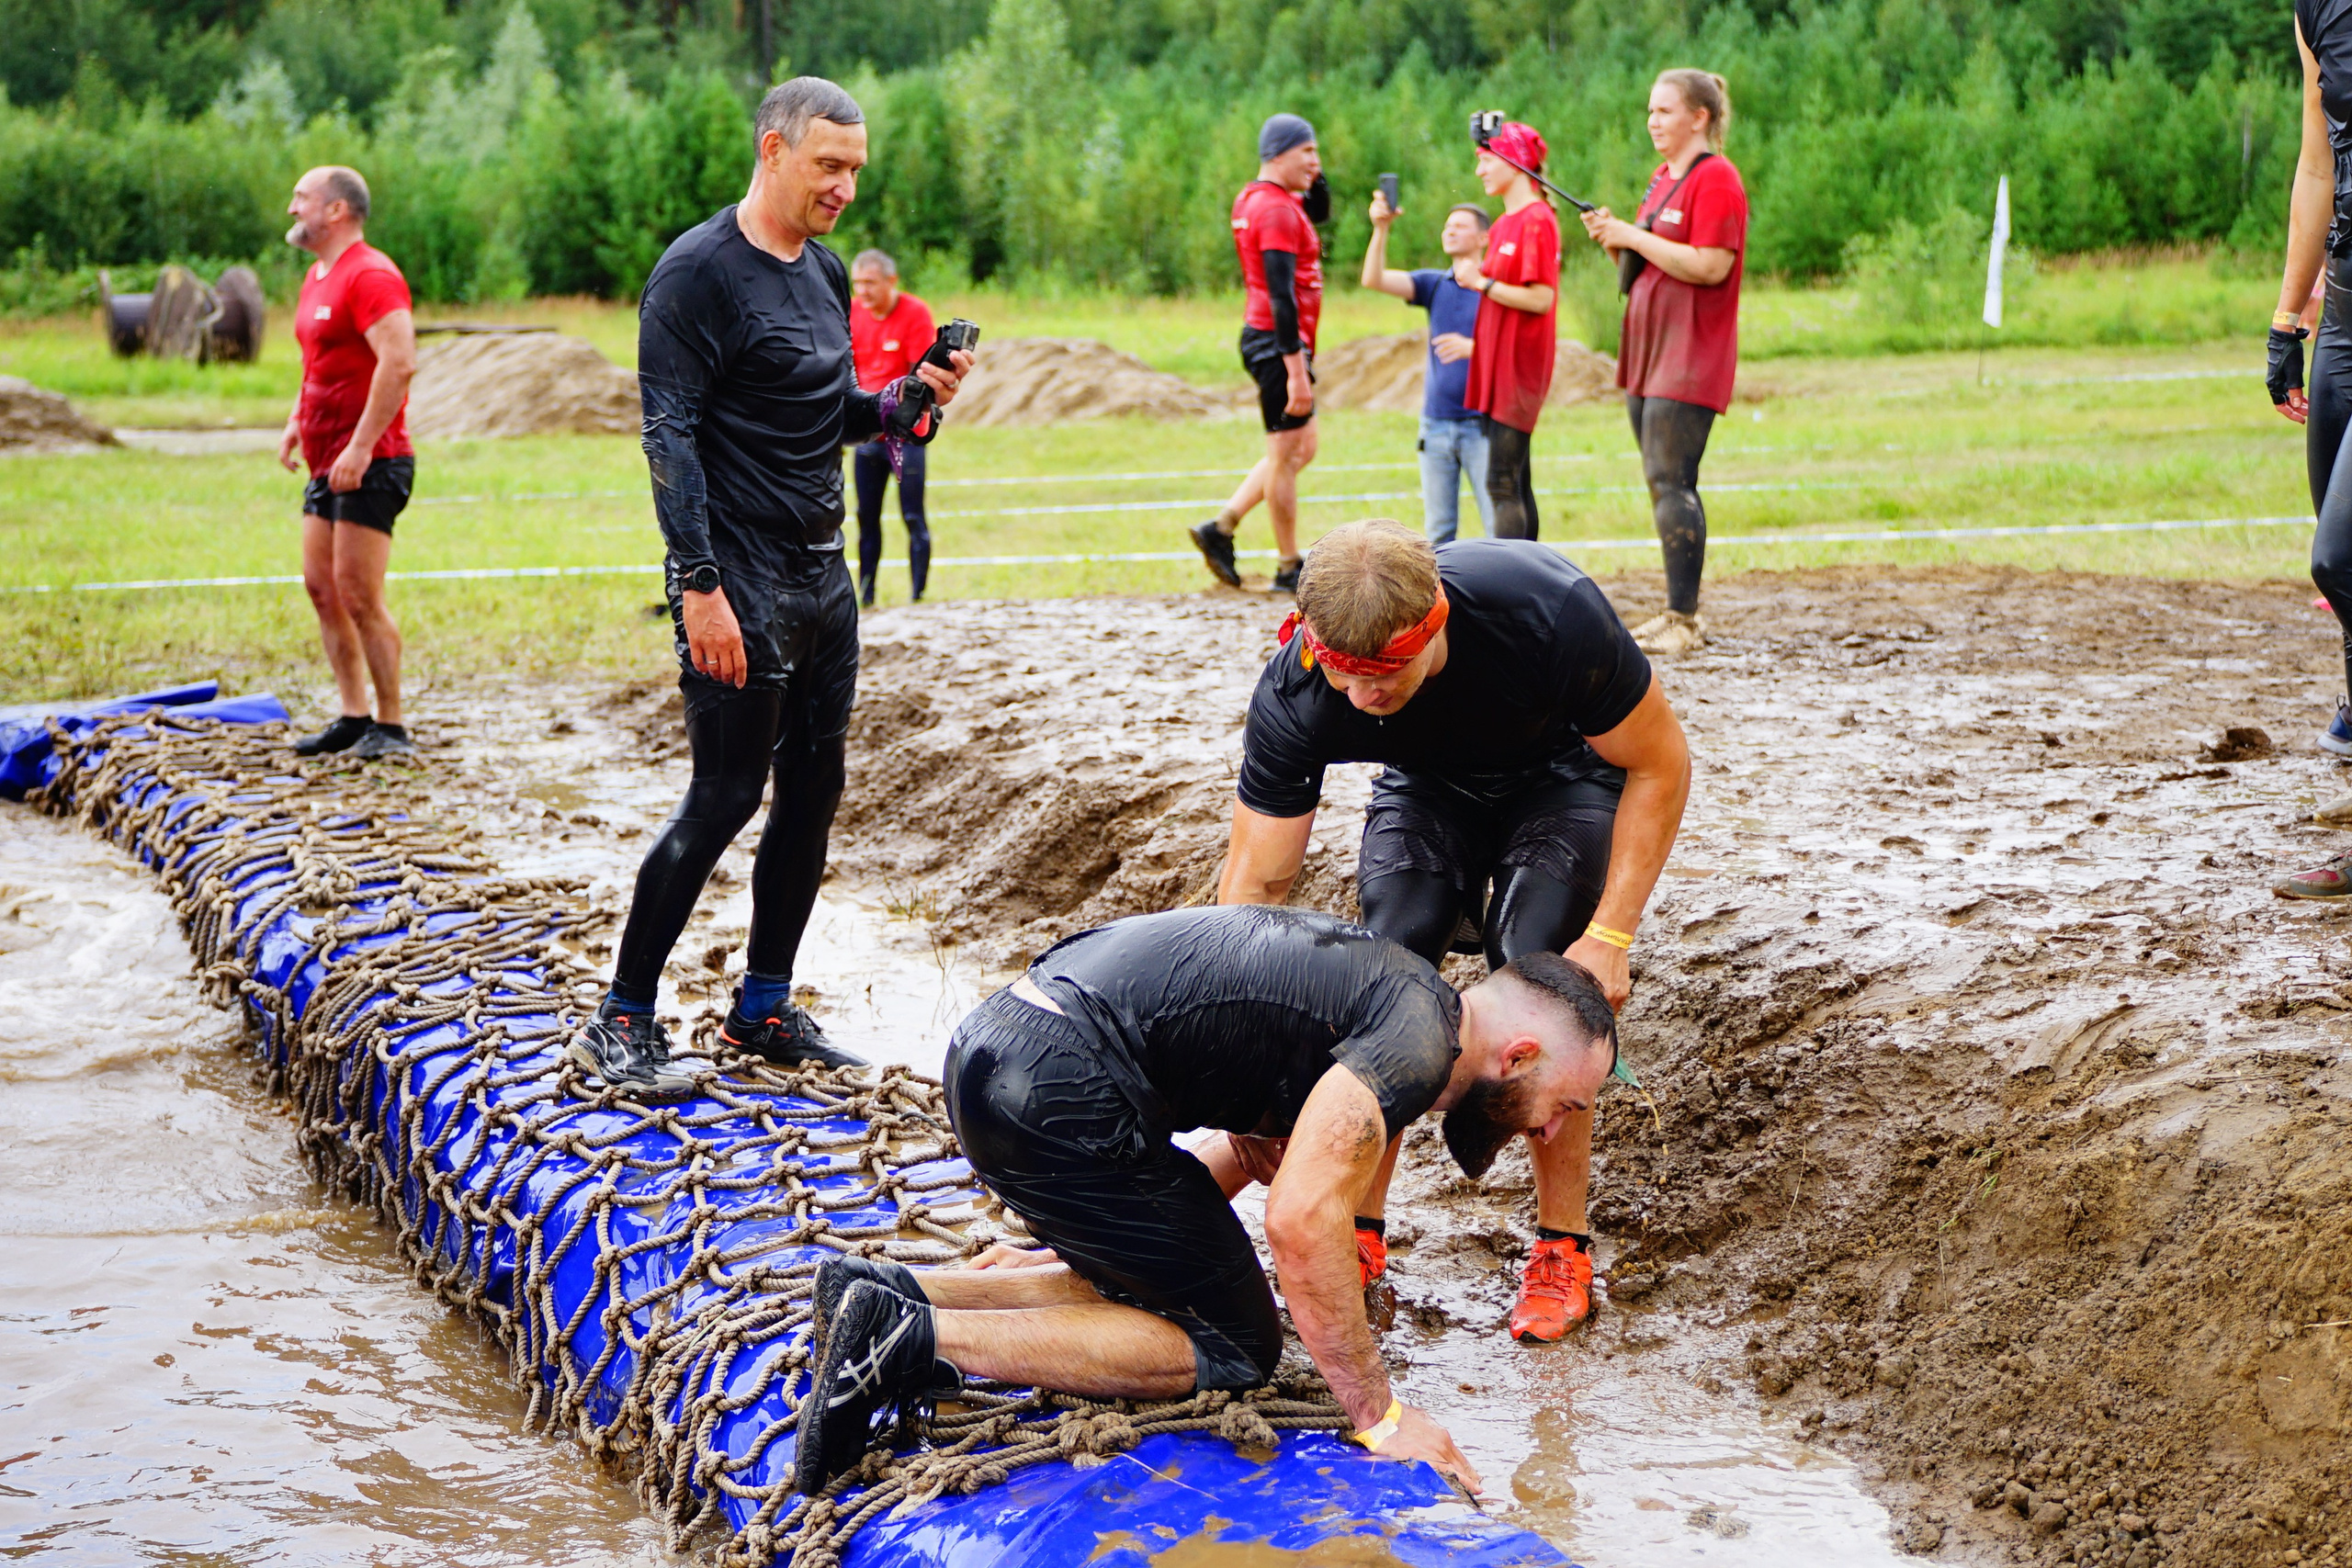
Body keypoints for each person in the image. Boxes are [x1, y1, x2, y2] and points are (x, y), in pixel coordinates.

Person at [793, 903, 1629, 1499]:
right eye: (1565, 1103)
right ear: (1518, 1056)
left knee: (1180, 1284)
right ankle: (907, 1339)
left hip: (1002, 1050)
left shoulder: (1400, 996)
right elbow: (1299, 1220)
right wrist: (1380, 1415)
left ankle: (892, 1290)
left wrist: (1108, 1244)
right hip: (1054, 1086)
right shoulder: (1416, 1046)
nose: (1554, 1131)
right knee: (1235, 1342)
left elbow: (1237, 1160)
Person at [567, 77, 973, 1096]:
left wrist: (903, 401)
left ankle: (763, 1008)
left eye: (855, 170)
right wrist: (698, 588)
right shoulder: (695, 275)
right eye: (828, 166)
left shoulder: (824, 271)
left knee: (813, 791)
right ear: (773, 149)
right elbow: (668, 438)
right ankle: (620, 1020)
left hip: (822, 577)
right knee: (724, 795)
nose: (844, 188)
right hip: (736, 578)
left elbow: (824, 410)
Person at [1214, 520, 1690, 1343]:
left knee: (1538, 965)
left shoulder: (1546, 611)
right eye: (1344, 678)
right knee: (1391, 959)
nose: (1361, 699)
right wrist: (1237, 1068)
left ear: (1434, 621)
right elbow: (1253, 891)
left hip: (1563, 778)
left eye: (1385, 676)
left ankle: (1562, 1245)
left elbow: (1661, 761)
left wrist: (1612, 936)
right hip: (1428, 789)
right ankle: (1360, 1230)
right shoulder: (1299, 688)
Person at [1581, 70, 1748, 657]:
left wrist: (1633, 235)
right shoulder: (1660, 180)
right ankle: (1674, 612)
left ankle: (1685, 620)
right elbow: (1651, 265)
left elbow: (1710, 265)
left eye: (1665, 111)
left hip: (1690, 350)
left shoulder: (1716, 178)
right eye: (1650, 111)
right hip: (1648, 349)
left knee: (1672, 478)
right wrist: (1616, 241)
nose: (1653, 122)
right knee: (1659, 479)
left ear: (1699, 117)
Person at [277, 165, 419, 761]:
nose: (292, 208)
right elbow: (319, 363)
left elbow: (399, 362)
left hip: (374, 460)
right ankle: (353, 714)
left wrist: (360, 447)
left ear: (336, 210)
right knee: (322, 588)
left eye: (301, 198)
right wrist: (296, 419)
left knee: (359, 594)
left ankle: (391, 724)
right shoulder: (317, 276)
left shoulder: (372, 275)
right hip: (324, 462)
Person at [1192, 113, 1327, 594]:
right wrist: (1296, 370)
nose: (1316, 161)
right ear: (1278, 152)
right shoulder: (1274, 210)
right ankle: (1288, 566)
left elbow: (1320, 211)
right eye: (1307, 151)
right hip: (1276, 342)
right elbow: (1280, 294)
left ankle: (1221, 527)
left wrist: (1312, 176)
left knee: (1300, 448)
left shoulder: (1259, 198)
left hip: (1273, 339)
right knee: (1285, 455)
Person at [1363, 193, 1495, 545]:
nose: (1450, 231)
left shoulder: (1496, 288)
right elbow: (1373, 279)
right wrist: (1381, 229)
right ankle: (1442, 585)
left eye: (1460, 226)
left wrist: (1474, 349)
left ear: (1483, 238)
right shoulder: (1435, 284)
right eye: (1447, 225)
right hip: (1435, 425)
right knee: (1438, 531)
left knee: (1497, 526)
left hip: (1483, 426)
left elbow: (1518, 348)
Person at [1462, 122, 1560, 542]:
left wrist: (1481, 282)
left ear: (1514, 162)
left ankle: (1510, 576)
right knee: (1516, 481)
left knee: (1501, 483)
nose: (1479, 171)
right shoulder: (1503, 224)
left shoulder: (1537, 219)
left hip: (1519, 368)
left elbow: (1541, 298)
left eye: (1486, 161)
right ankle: (1529, 572)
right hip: (1496, 367)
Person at [847, 248, 935, 607]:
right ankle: (866, 596)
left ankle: (917, 597)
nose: (863, 291)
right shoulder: (852, 313)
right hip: (868, 435)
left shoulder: (915, 313)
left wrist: (901, 417)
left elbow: (920, 377)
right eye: (858, 283)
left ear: (891, 281)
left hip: (907, 436)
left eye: (870, 282)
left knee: (912, 515)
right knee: (865, 517)